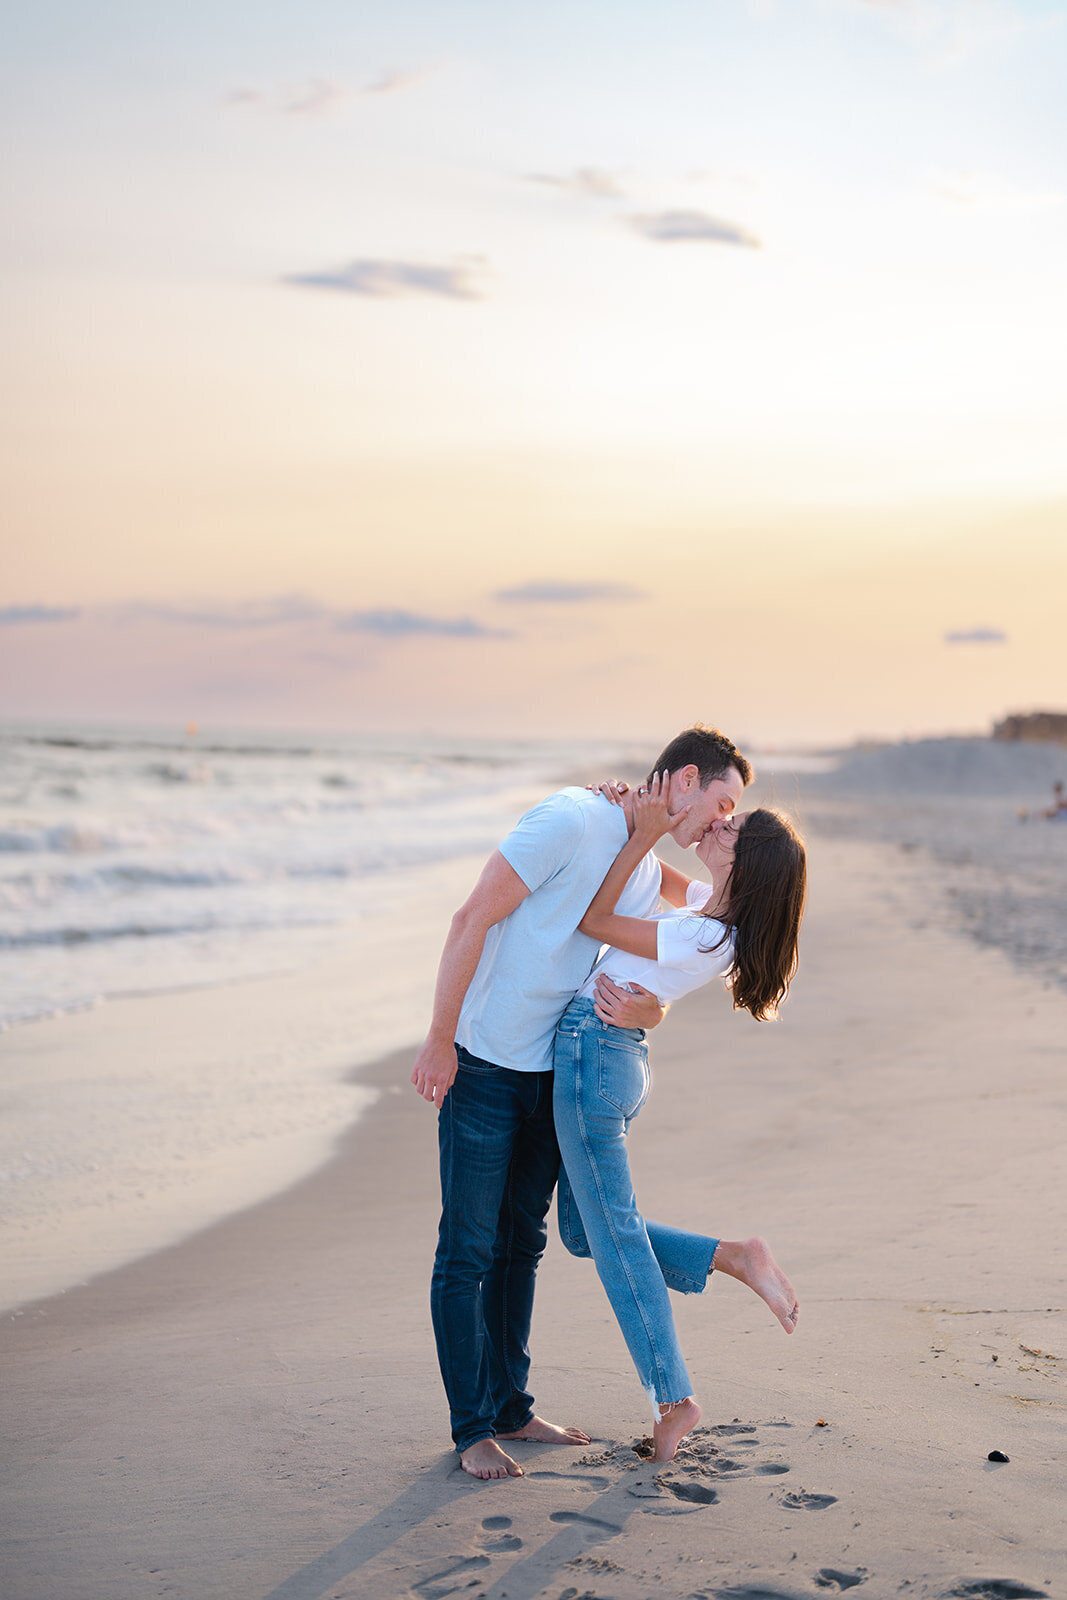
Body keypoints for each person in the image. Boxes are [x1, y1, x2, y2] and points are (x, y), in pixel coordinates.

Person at [410, 726, 753, 1480]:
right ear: (686, 778)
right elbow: (471, 918)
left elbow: (672, 949)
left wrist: (650, 1014)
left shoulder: (645, 856)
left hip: (553, 1069)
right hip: (485, 1060)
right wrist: (440, 1037)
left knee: (521, 1244)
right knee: (467, 1250)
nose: (722, 822)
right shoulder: (569, 818)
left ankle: (509, 1406)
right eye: (721, 802)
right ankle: (471, 1429)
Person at [553, 772, 806, 1462]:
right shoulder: (705, 908)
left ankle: (673, 1398)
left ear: (745, 864)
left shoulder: (704, 933)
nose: (716, 827)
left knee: (612, 1240)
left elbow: (594, 922)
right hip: (607, 1053)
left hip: (593, 1053)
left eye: (731, 829)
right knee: (585, 1230)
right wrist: (635, 815)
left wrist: (642, 834)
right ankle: (732, 1256)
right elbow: (652, 870)